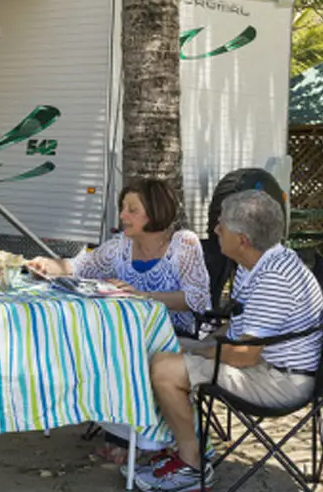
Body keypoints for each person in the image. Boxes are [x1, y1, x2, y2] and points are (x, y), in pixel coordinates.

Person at [133, 190, 323, 492]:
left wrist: (199, 351)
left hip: (280, 381)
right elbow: (237, 330)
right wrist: (195, 347)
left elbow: (245, 355)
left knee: (165, 369)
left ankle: (191, 468)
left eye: (221, 224)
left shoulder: (274, 278)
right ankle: (188, 445)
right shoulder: (264, 263)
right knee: (164, 352)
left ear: (243, 239)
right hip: (267, 368)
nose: (215, 229)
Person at [27, 178, 210, 462]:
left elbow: (197, 299)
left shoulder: (183, 244)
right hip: (124, 332)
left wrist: (144, 296)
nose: (123, 215)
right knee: (83, 347)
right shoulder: (120, 246)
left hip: (170, 331)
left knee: (120, 353)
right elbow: (77, 267)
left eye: (132, 210)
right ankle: (125, 435)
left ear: (155, 212)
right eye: (123, 208)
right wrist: (49, 265)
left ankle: (142, 440)